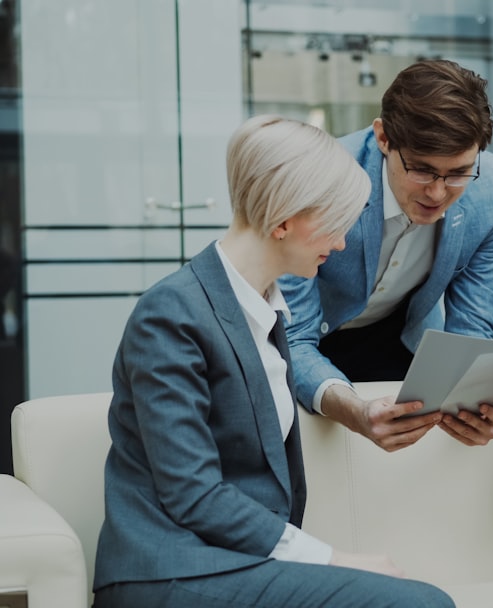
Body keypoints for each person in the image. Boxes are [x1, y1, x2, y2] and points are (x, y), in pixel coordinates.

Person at [92, 115, 454, 608]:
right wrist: (332, 560)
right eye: (334, 222)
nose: (342, 243)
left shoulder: (266, 314)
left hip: (234, 564)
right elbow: (194, 495)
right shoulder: (172, 313)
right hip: (169, 571)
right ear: (283, 220)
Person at [281, 59, 493, 452]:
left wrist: (470, 402)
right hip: (309, 339)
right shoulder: (319, 182)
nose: (438, 194)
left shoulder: (492, 186)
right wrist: (353, 410)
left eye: (458, 173)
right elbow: (292, 336)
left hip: (402, 336)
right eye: (421, 171)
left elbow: (472, 325)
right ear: (384, 138)